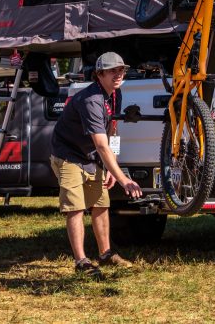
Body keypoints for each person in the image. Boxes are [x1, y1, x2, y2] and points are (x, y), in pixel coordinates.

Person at [50, 51, 143, 279]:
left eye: (121, 70)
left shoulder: (114, 94)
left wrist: (112, 166)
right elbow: (101, 145)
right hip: (68, 155)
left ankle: (105, 254)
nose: (119, 74)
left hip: (90, 157)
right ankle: (81, 261)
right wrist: (123, 178)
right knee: (76, 207)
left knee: (101, 203)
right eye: (113, 71)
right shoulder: (91, 100)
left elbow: (113, 131)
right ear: (99, 74)